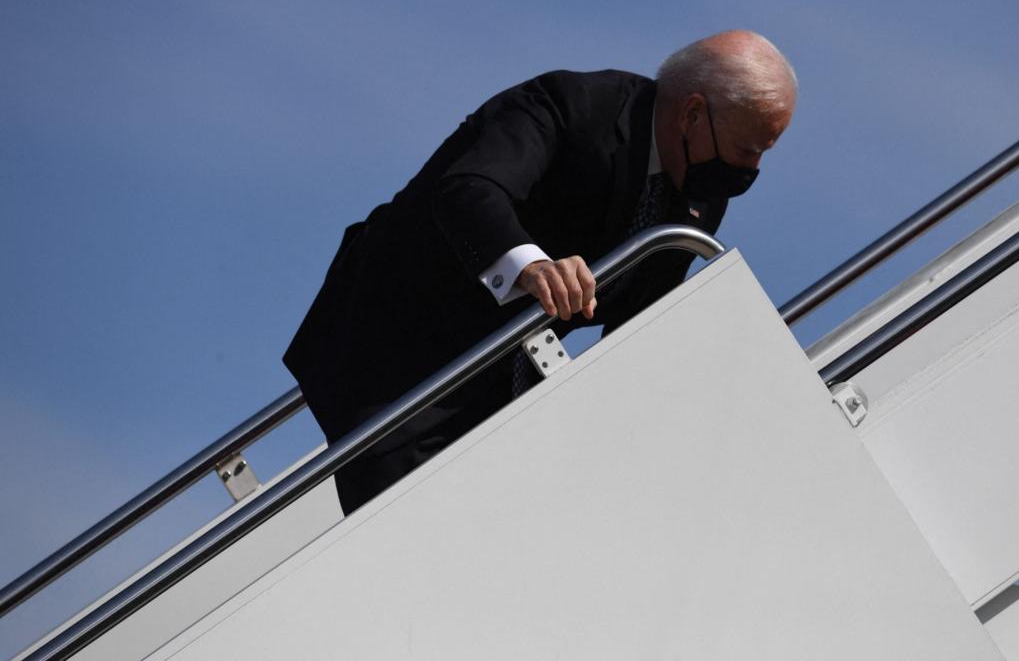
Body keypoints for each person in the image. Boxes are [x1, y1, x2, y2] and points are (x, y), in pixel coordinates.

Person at [284, 30, 798, 514]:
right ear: (691, 113)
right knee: (409, 535)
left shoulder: (698, 197)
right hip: (395, 347)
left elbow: (641, 320)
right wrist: (532, 267)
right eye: (749, 149)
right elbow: (470, 189)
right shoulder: (572, 105)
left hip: (501, 379)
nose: (750, 170)